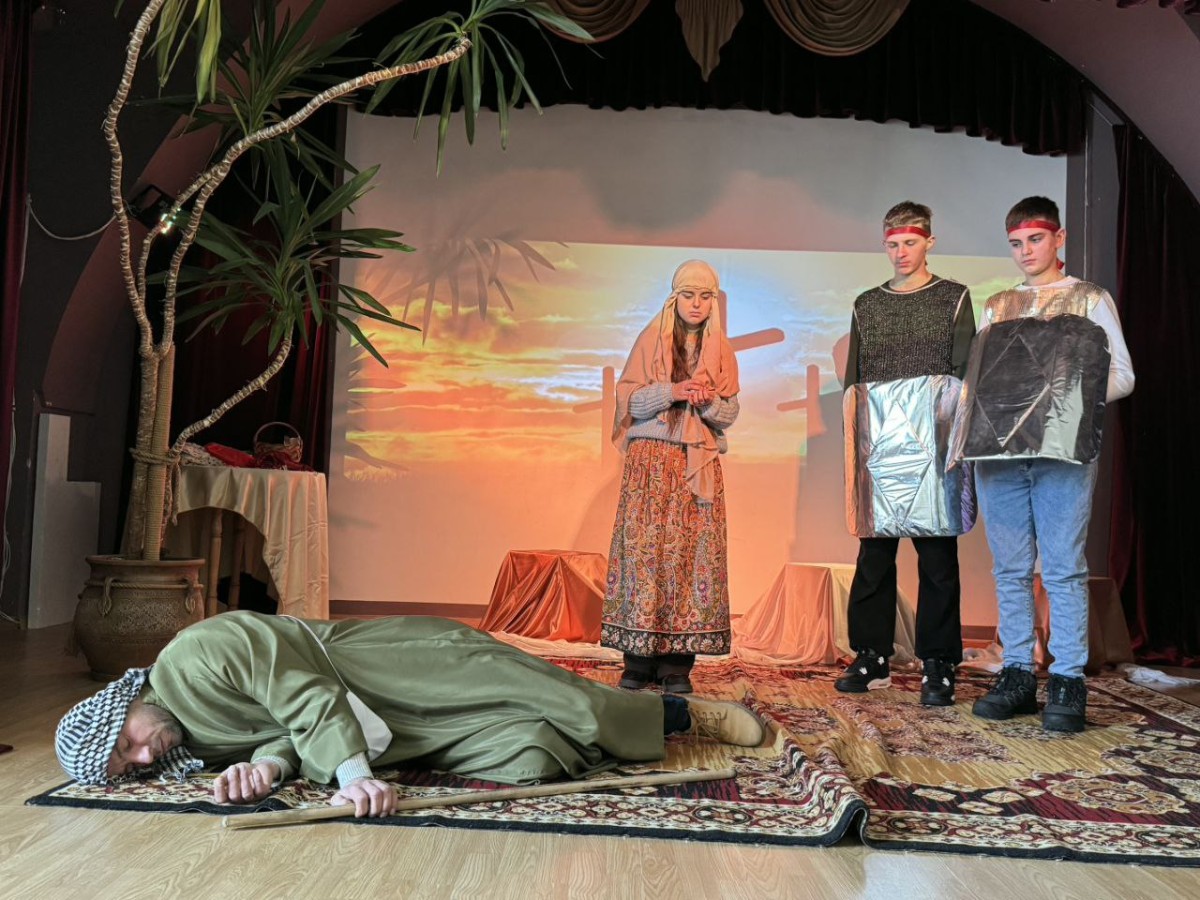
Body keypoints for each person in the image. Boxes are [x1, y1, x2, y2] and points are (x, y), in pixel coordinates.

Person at [54, 612, 766, 817]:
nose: (143, 758)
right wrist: (265, 768)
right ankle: (615, 734)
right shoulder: (187, 745)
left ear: (123, 706)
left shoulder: (193, 653)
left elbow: (303, 694)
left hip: (377, 668)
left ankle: (675, 715)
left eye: (126, 744)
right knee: (531, 756)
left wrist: (352, 776)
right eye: (129, 768)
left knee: (545, 693)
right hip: (380, 734)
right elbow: (282, 733)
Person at [961, 197, 1134, 733]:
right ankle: (1017, 673)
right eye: (1015, 243)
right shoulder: (999, 305)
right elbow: (981, 381)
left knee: (1062, 567)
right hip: (1000, 455)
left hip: (1062, 453)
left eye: (1034, 239)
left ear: (1058, 238)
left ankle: (1067, 679)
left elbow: (1122, 375)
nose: (1025, 251)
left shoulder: (1089, 299)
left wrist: (1065, 408)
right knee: (1010, 568)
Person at [835, 202, 976, 706]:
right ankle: (872, 655)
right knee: (874, 555)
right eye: (893, 244)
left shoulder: (953, 298)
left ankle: (938, 662)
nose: (901, 253)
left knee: (937, 555)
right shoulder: (867, 305)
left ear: (929, 242)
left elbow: (962, 376)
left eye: (910, 243)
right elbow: (855, 382)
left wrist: (953, 444)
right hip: (879, 447)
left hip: (933, 444)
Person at [601, 260, 740, 694]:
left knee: (688, 557)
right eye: (688, 295)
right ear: (674, 297)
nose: (696, 304)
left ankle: (677, 665)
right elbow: (629, 401)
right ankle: (638, 660)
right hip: (650, 462)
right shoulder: (651, 339)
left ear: (713, 301)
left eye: (705, 296)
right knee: (644, 556)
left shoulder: (722, 349)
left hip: (694, 463)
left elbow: (730, 412)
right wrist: (674, 391)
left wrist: (706, 401)